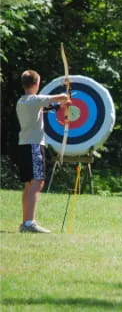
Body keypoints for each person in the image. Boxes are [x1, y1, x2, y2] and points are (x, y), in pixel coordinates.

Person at [16, 70, 71, 233]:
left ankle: (26, 221)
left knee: (29, 183)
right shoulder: (35, 100)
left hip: (24, 145)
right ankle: (29, 222)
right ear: (36, 84)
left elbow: (44, 109)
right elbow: (60, 97)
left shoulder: (23, 101)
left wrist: (60, 105)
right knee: (37, 181)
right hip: (34, 145)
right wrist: (66, 96)